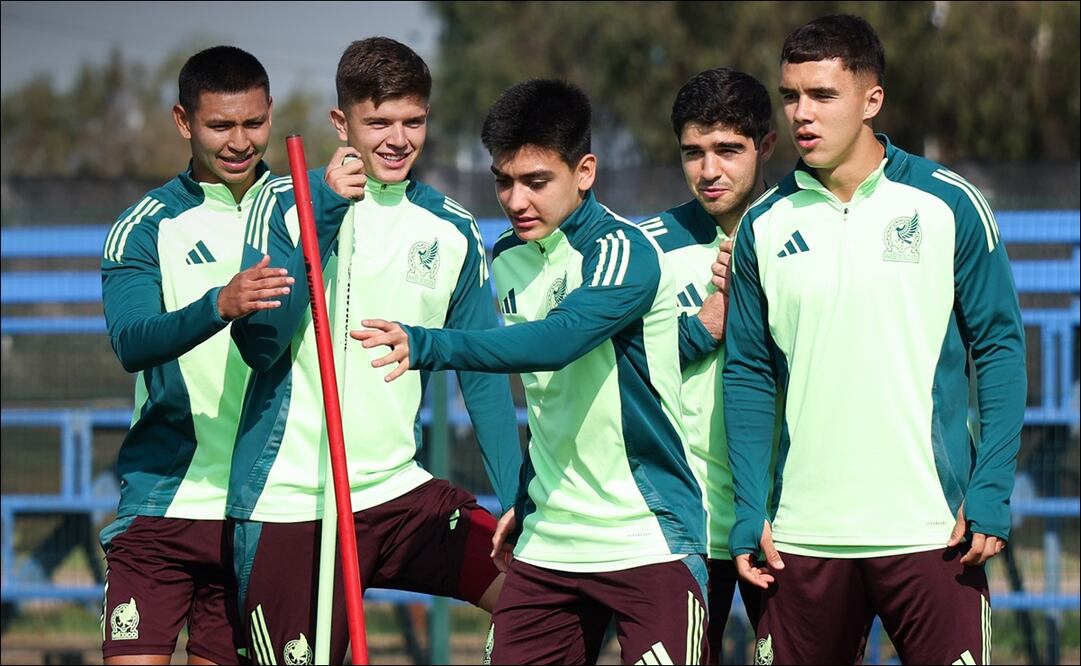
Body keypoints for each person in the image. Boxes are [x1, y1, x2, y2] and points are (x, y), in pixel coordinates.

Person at [354, 79, 708, 665]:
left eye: (537, 182)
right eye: (504, 181)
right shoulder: (509, 258)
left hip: (646, 538)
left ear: (585, 172)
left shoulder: (624, 252)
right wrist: (524, 495)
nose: (517, 201)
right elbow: (549, 404)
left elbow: (558, 342)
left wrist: (428, 344)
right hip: (547, 544)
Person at [723, 14, 1026, 665]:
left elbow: (998, 348)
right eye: (790, 96)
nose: (802, 114)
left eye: (822, 95)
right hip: (800, 540)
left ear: (871, 100)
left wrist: (990, 487)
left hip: (933, 531)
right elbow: (747, 373)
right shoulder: (763, 225)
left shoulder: (948, 204)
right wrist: (751, 505)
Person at [227, 37, 522, 664]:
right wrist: (328, 211)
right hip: (294, 502)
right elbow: (261, 343)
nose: (398, 138)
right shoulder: (284, 204)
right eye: (378, 121)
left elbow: (485, 374)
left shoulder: (453, 230)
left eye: (412, 120)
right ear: (342, 123)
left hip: (397, 495)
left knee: (539, 592)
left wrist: (517, 499)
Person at [99, 46, 290, 665]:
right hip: (163, 501)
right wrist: (218, 305)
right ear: (184, 122)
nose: (240, 142)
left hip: (262, 509)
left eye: (254, 123)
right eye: (220, 126)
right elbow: (132, 340)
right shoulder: (146, 225)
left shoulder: (302, 213)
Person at [637, 67, 776, 663]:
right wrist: (703, 329)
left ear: (765, 147)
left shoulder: (800, 234)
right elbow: (616, 369)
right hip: (681, 523)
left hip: (782, 518)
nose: (709, 170)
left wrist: (753, 310)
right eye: (693, 152)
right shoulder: (645, 248)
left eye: (727, 150)